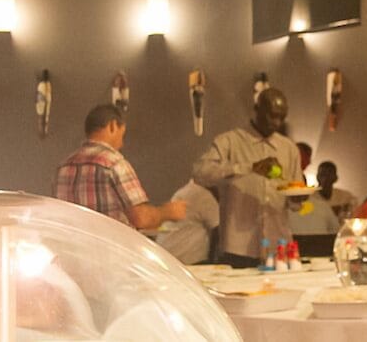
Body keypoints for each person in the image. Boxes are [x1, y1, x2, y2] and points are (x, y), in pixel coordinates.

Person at [192, 88, 303, 267]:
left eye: (281, 117)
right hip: (239, 247)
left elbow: (294, 200)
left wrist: (298, 199)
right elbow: (200, 173)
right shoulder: (230, 141)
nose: (276, 122)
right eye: (272, 116)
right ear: (257, 109)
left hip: (277, 245)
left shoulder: (289, 148)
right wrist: (248, 167)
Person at [54, 104, 185, 229]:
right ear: (112, 126)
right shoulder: (114, 163)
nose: (122, 144)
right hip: (110, 243)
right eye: (122, 135)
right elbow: (140, 218)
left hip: (73, 244)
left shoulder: (64, 167)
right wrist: (167, 212)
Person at [156, 179, 219, 265]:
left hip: (166, 255)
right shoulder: (204, 196)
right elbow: (217, 230)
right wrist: (213, 262)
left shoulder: (184, 192)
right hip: (189, 258)